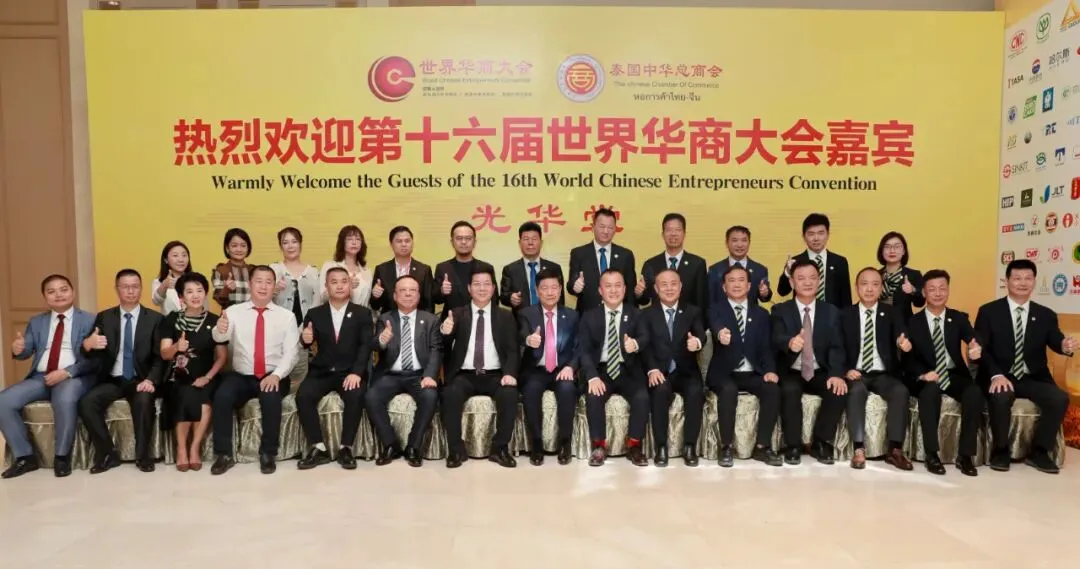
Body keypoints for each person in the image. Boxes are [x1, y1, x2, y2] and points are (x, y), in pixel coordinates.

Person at [976, 259, 1077, 474]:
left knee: (1059, 398)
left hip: (1033, 377)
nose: (1023, 283)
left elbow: (1055, 339)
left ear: (1034, 282)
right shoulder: (988, 311)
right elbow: (981, 349)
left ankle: (1039, 452)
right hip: (1001, 375)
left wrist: (1064, 345)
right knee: (1001, 396)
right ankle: (1001, 450)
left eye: (1028, 278)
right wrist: (995, 375)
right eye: (1017, 278)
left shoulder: (1046, 314)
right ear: (1006, 281)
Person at [0, 275, 97, 479]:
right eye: (51, 292)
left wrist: (67, 372)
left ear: (73, 292)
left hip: (73, 376)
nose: (58, 295)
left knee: (64, 398)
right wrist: (18, 349)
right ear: (45, 297)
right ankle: (25, 457)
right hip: (41, 377)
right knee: (3, 401)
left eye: (63, 289)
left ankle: (61, 457)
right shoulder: (37, 322)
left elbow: (95, 360)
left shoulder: (90, 320)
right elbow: (26, 351)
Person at [210, 265, 300, 475]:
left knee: (270, 398)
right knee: (222, 396)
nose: (263, 286)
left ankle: (268, 453)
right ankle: (224, 454)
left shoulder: (286, 316)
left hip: (274, 374)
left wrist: (276, 375)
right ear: (250, 284)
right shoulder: (233, 312)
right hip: (242, 375)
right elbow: (220, 337)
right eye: (258, 281)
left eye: (269, 282)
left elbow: (292, 352)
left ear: (274, 287)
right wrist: (219, 329)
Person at [78, 269, 165, 474]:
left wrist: (151, 380)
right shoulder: (104, 317)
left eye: (135, 287)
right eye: (125, 287)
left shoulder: (155, 319)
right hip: (112, 379)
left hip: (140, 378)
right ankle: (108, 453)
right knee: (87, 403)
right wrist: (88, 345)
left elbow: (160, 357)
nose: (130, 291)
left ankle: (143, 455)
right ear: (116, 289)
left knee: (144, 400)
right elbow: (90, 351)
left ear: (141, 289)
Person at [439, 267, 520, 468]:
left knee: (509, 394)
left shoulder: (505, 316)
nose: (482, 288)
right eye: (477, 284)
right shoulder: (457, 314)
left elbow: (513, 350)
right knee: (450, 394)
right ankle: (456, 450)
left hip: (495, 374)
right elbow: (443, 344)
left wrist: (509, 373)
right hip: (464, 374)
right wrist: (445, 331)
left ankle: (499, 449)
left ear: (493, 288)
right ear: (469, 288)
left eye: (486, 284)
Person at [905, 269, 982, 476]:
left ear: (948, 290)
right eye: (932, 289)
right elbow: (907, 359)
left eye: (942, 288)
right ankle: (931, 454)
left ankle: (965, 455)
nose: (938, 293)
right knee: (929, 393)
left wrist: (975, 347)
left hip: (953, 373)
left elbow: (973, 338)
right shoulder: (913, 322)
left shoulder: (958, 318)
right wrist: (922, 375)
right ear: (924, 292)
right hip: (927, 375)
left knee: (974, 393)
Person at [295, 267, 374, 471]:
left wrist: (356, 373)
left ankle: (346, 448)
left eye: (344, 281)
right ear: (326, 287)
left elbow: (365, 346)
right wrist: (305, 339)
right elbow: (305, 342)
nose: (339, 286)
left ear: (350, 286)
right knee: (303, 395)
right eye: (334, 282)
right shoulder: (314, 314)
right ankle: (318, 447)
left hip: (349, 371)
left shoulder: (362, 313)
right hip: (321, 371)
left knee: (355, 395)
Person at [771, 258, 848, 465]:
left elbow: (837, 346)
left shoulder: (831, 311)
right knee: (789, 390)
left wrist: (836, 374)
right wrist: (790, 343)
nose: (807, 282)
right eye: (801, 278)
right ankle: (793, 445)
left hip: (819, 369)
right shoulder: (780, 310)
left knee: (838, 390)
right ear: (792, 282)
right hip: (791, 370)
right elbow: (775, 337)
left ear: (819, 281)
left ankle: (820, 443)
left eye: (812, 278)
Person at [707, 265, 782, 467]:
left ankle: (762, 447)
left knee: (772, 389)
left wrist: (770, 371)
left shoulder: (762, 314)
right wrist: (720, 334)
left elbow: (766, 347)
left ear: (749, 286)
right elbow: (715, 326)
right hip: (725, 373)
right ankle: (726, 446)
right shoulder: (715, 310)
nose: (736, 284)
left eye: (741, 280)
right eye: (731, 281)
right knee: (728, 390)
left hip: (752, 372)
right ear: (724, 287)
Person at [840, 268, 913, 470]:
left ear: (881, 288)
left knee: (900, 391)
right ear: (857, 287)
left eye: (875, 284)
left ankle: (895, 450)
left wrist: (903, 342)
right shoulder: (845, 314)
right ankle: (859, 449)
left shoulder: (891, 312)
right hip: (856, 373)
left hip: (883, 374)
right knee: (856, 391)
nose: (869, 289)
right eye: (864, 284)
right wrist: (845, 370)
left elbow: (901, 333)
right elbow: (837, 347)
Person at [366, 275, 442, 467]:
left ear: (418, 295)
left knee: (430, 396)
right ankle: (390, 444)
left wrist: (430, 375)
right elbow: (375, 345)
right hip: (390, 374)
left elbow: (436, 350)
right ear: (395, 295)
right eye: (403, 290)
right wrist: (382, 340)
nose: (408, 294)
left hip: (419, 374)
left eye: (412, 290)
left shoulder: (430, 320)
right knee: (371, 396)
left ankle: (413, 446)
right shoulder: (385, 319)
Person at [579, 269, 651, 467]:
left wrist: (635, 344)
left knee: (642, 396)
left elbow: (645, 337)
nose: (613, 290)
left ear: (625, 289)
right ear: (600, 290)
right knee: (594, 395)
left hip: (628, 370)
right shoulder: (589, 316)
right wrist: (592, 376)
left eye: (617, 285)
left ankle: (634, 446)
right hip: (601, 371)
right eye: (608, 286)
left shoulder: (636, 314)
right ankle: (599, 446)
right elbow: (583, 350)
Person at [159, 272, 226, 472]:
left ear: (205, 293)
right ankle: (181, 449)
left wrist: (207, 377)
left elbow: (222, 357)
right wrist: (176, 347)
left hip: (207, 375)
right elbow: (164, 354)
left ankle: (195, 448)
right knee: (185, 394)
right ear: (181, 297)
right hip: (177, 376)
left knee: (204, 402)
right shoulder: (171, 320)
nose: (195, 295)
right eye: (189, 292)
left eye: (199, 290)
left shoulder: (215, 321)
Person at [639, 269, 706, 466]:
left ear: (681, 286)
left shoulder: (692, 311)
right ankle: (661, 447)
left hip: (686, 371)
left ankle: (690, 446)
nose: (669, 288)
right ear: (656, 288)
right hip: (659, 371)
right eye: (664, 284)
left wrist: (697, 343)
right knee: (660, 391)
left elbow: (700, 334)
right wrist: (652, 369)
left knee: (695, 392)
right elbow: (644, 346)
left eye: (673, 284)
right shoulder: (646, 314)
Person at [517, 268, 579, 466]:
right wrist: (528, 340)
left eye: (554, 287)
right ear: (537, 291)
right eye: (545, 288)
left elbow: (580, 347)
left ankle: (565, 443)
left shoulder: (572, 316)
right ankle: (536, 443)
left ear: (560, 290)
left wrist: (571, 367)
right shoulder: (526, 314)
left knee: (567, 389)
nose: (550, 292)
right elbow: (519, 336)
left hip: (562, 369)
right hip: (536, 369)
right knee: (531, 390)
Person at [269, 227, 319, 385]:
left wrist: (307, 325)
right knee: (278, 372)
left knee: (301, 374)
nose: (290, 246)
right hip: (278, 330)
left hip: (305, 330)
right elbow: (262, 298)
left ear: (300, 244)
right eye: (285, 242)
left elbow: (318, 300)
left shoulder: (312, 271)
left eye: (294, 241)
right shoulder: (274, 269)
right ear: (280, 246)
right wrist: (274, 289)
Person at [568, 207, 640, 313]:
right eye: (602, 227)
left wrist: (634, 315)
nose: (606, 231)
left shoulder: (626, 255)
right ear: (593, 227)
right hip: (588, 316)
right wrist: (575, 287)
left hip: (618, 315)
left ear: (615, 229)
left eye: (610, 227)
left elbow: (630, 291)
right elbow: (571, 285)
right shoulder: (579, 253)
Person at [777, 213, 851, 309]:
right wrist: (787, 272)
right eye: (811, 234)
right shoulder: (795, 261)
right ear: (803, 236)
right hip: (804, 314)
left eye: (821, 233)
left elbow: (846, 298)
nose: (816, 238)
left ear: (828, 234)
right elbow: (782, 292)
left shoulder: (840, 261)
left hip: (833, 316)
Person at [639, 213, 708, 312]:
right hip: (658, 320)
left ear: (684, 234)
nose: (673, 234)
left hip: (688, 320)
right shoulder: (651, 264)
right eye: (669, 230)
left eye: (678, 230)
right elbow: (644, 300)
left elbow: (701, 301)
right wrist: (639, 293)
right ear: (663, 234)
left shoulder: (697, 264)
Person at [433, 221, 498, 319]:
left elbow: (494, 300)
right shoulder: (443, 268)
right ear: (452, 242)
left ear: (474, 242)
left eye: (468, 238)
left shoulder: (486, 268)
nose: (463, 242)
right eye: (459, 238)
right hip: (451, 322)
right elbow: (435, 299)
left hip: (479, 321)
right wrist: (442, 291)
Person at [500, 222, 565, 317]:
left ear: (541, 243)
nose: (530, 243)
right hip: (521, 321)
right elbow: (503, 296)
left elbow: (560, 300)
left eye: (534, 239)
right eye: (526, 239)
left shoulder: (554, 268)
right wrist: (511, 298)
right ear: (519, 243)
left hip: (549, 320)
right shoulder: (510, 269)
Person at [370, 225, 435, 315]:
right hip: (390, 320)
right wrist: (375, 296)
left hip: (417, 321)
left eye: (407, 241)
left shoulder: (424, 270)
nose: (404, 244)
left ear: (412, 243)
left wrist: (426, 322)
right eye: (399, 241)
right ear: (391, 244)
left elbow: (429, 304)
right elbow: (375, 306)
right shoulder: (382, 270)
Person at [707, 225, 772, 307]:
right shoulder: (714, 270)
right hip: (721, 314)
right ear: (727, 243)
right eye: (735, 240)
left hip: (750, 314)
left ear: (749, 243)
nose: (739, 245)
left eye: (744, 240)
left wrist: (765, 293)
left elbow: (765, 298)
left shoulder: (760, 269)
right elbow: (710, 299)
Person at [318, 224, 374, 307]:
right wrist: (345, 285)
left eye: (358, 239)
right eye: (349, 239)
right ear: (342, 242)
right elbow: (322, 298)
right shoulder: (330, 266)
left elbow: (370, 303)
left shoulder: (367, 272)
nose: (354, 242)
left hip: (362, 313)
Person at [877, 231, 924, 321]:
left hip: (904, 325)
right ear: (881, 251)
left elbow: (920, 304)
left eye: (897, 246)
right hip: (879, 325)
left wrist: (913, 290)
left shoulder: (913, 275)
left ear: (904, 251)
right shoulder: (876, 275)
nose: (892, 250)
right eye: (887, 247)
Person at [152, 240, 199, 316]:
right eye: (175, 255)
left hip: (195, 321)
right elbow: (156, 301)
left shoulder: (197, 280)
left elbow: (204, 308)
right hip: (169, 322)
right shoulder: (159, 282)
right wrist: (164, 285)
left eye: (184, 255)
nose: (181, 260)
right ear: (166, 260)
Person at [212, 227, 253, 310]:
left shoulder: (253, 270)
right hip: (229, 316)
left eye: (243, 245)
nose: (239, 249)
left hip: (251, 316)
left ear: (248, 248)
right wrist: (226, 289)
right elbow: (219, 300)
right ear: (227, 248)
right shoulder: (220, 271)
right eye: (234, 246)